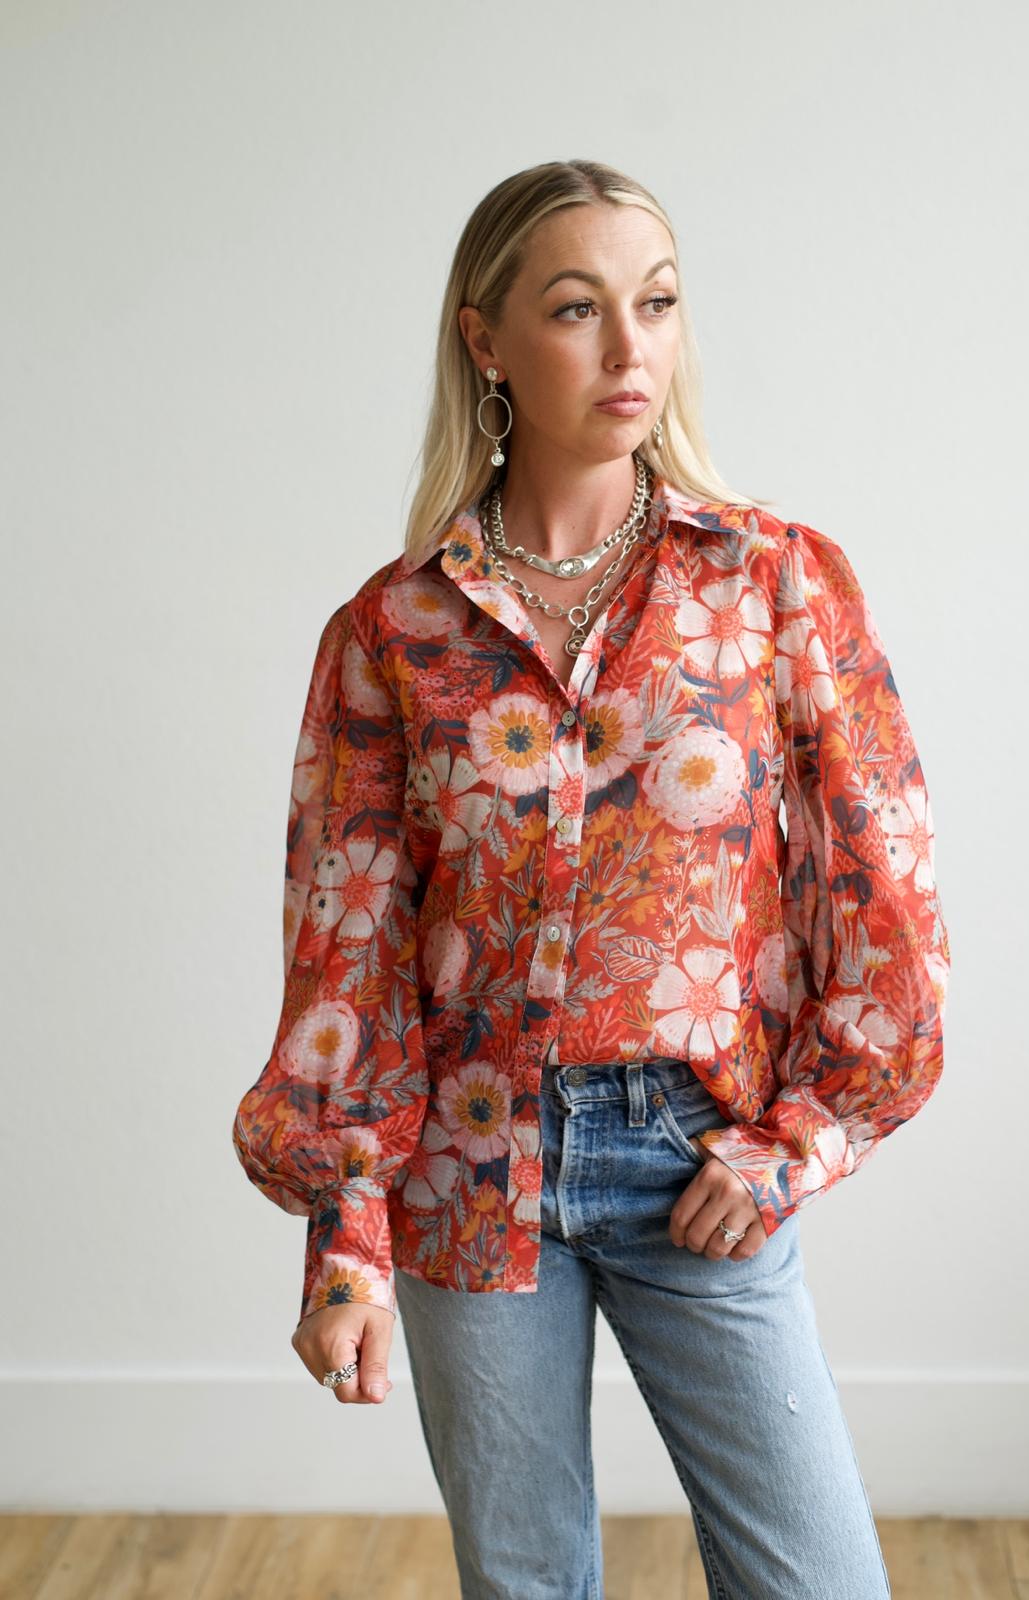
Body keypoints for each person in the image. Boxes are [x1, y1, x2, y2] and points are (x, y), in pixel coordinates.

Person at [231, 158, 950, 1599]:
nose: (631, 347)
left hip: (701, 1155)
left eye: (657, 303)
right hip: (465, 1167)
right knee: (525, 1586)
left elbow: (887, 894)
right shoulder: (391, 634)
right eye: (577, 308)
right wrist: (346, 1245)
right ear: (486, 341)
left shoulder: (773, 584)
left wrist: (797, 1142)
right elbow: (347, 959)